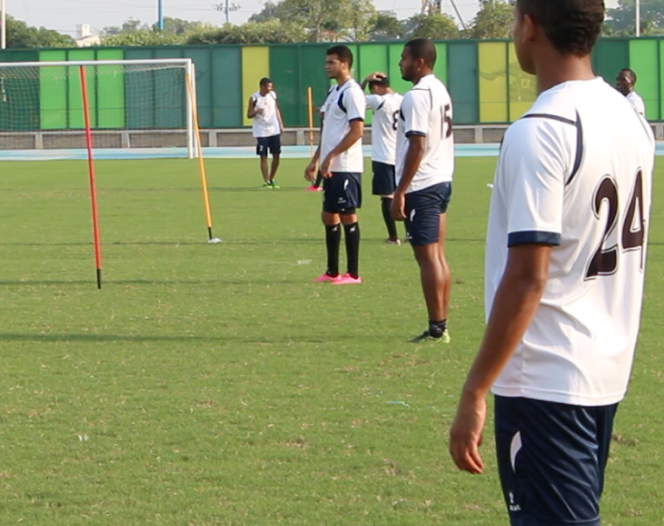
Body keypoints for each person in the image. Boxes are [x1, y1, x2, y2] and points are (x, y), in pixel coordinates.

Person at [449, 2, 655, 526]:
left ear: (529, 25)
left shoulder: (540, 128)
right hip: (604, 368)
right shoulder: (630, 118)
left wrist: (475, 389)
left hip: (545, 378)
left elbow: (527, 276)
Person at [391, 38, 454, 342]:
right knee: (438, 256)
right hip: (441, 178)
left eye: (403, 58)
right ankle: (440, 323)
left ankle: (436, 327)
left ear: (418, 61)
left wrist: (400, 191)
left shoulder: (416, 95)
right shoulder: (439, 88)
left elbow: (417, 144)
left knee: (427, 257)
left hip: (422, 183)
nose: (400, 63)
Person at [304, 45, 366, 285]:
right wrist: (317, 158)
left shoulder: (352, 92)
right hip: (331, 166)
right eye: (326, 62)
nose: (326, 66)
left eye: (331, 62)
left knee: (347, 214)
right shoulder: (333, 91)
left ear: (344, 64)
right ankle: (332, 271)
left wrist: (332, 156)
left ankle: (352, 274)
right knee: (329, 215)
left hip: (346, 166)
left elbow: (357, 131)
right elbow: (329, 132)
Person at [361, 73, 404, 245]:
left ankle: (393, 236)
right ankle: (410, 232)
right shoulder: (402, 100)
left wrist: (364, 80)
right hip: (401, 155)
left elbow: (354, 98)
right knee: (404, 194)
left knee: (387, 197)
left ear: (376, 88)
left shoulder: (379, 101)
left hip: (383, 155)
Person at [247, 77, 284, 189]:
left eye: (271, 87)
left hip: (274, 129)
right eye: (268, 86)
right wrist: (256, 111)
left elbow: (276, 108)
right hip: (261, 131)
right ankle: (266, 180)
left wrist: (280, 123)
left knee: (276, 155)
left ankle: (272, 178)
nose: (270, 89)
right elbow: (248, 115)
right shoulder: (254, 98)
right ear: (262, 86)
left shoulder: (272, 95)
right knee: (263, 156)